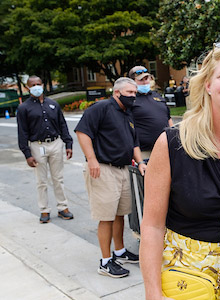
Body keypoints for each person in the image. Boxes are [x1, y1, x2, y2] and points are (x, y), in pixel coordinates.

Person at [140, 41, 220, 300]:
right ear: (208, 85)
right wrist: (153, 293)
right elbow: (152, 226)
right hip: (184, 283)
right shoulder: (171, 144)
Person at [75, 77, 146, 278]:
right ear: (117, 93)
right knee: (106, 217)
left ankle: (120, 251)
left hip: (123, 169)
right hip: (103, 169)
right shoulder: (101, 108)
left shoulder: (127, 113)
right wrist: (91, 159)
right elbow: (82, 132)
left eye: (135, 93)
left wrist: (140, 162)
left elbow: (134, 143)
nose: (134, 96)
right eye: (130, 93)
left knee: (119, 214)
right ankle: (105, 262)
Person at [17, 75, 74, 223]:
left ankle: (63, 207)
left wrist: (68, 143)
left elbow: (62, 125)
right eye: (33, 84)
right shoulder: (24, 108)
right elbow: (22, 132)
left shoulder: (53, 104)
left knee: (58, 178)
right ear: (27, 88)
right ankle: (44, 210)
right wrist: (27, 154)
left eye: (38, 84)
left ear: (43, 85)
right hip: (37, 146)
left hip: (55, 144)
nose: (36, 86)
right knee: (41, 181)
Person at [128, 66, 174, 160]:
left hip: (165, 148)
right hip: (144, 152)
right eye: (141, 80)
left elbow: (168, 119)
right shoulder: (130, 100)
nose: (145, 82)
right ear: (132, 81)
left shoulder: (158, 96)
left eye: (146, 78)